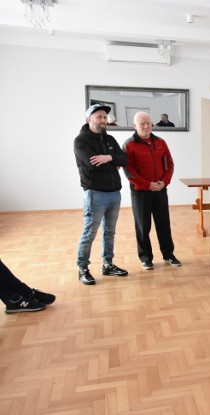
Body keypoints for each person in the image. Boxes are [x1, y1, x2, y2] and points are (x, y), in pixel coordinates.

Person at [74, 104, 129, 285]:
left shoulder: (110, 139)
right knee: (90, 232)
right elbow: (92, 164)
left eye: (105, 117)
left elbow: (125, 159)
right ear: (89, 119)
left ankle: (108, 264)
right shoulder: (81, 141)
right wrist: (113, 162)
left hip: (114, 193)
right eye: (99, 117)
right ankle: (83, 268)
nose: (103, 120)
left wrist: (109, 158)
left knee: (110, 232)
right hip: (95, 194)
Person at [123, 111, 181, 270]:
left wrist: (165, 182)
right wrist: (147, 185)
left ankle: (168, 254)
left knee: (164, 224)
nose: (146, 126)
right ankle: (146, 258)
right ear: (135, 126)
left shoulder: (161, 142)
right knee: (143, 226)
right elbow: (129, 171)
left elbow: (169, 164)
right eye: (142, 123)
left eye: (149, 123)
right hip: (141, 192)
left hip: (160, 189)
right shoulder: (129, 144)